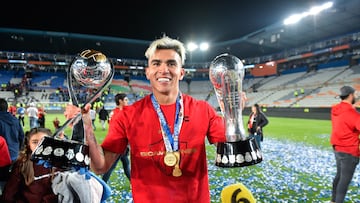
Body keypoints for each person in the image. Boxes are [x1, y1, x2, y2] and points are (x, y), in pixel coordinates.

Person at [65, 36, 226, 202]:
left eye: (171, 63)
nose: (164, 69)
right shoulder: (127, 115)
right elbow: (100, 166)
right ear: (147, 72)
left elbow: (232, 151)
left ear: (182, 72)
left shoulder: (203, 110)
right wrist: (87, 128)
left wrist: (232, 112)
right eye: (156, 63)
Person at [1, 128, 59, 202]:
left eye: (44, 141)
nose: (39, 145)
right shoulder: (22, 164)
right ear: (29, 144)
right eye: (35, 142)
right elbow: (9, 192)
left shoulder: (59, 164)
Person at [330, 85, 360, 203]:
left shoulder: (335, 109)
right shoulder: (352, 113)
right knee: (344, 180)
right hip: (350, 150)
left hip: (338, 148)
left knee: (339, 176)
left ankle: (333, 200)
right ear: (351, 95)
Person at [102, 93, 131, 182]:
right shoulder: (123, 113)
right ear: (120, 101)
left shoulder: (113, 112)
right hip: (117, 144)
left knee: (126, 163)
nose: (128, 101)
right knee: (111, 167)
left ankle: (134, 183)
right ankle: (102, 186)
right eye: (126, 100)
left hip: (114, 141)